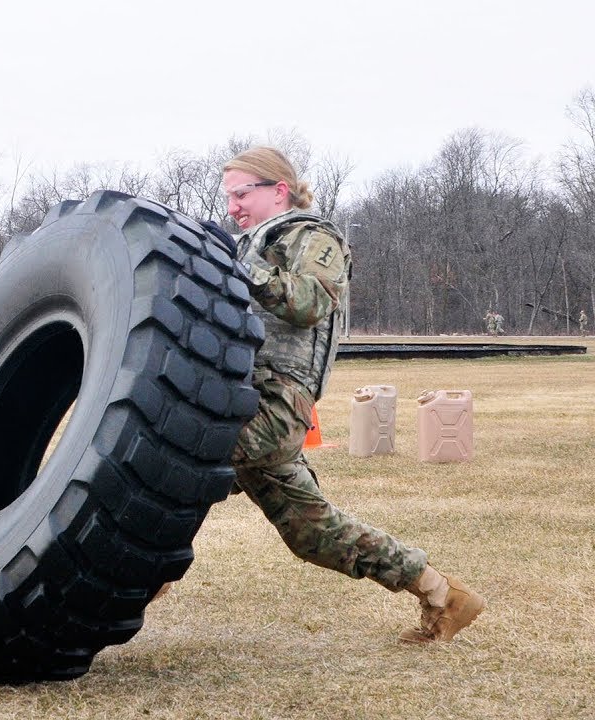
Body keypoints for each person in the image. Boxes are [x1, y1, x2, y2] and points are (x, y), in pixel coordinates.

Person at [219, 146, 484, 643]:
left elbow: (313, 301)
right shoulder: (247, 246)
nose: (232, 207)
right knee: (312, 532)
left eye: (241, 194)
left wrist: (240, 271)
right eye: (228, 196)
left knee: (182, 460)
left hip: (277, 400)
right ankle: (441, 593)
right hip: (240, 391)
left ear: (278, 190)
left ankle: (134, 583)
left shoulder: (312, 235)